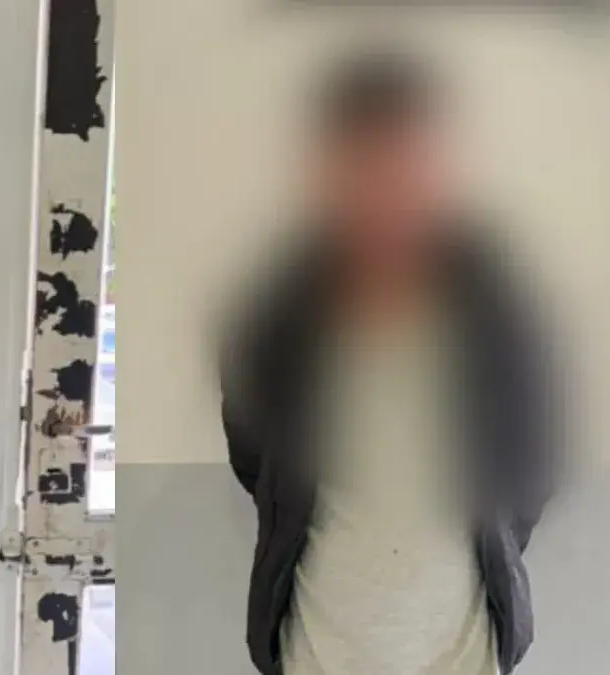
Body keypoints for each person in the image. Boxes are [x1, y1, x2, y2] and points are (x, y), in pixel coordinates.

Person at [219, 49, 557, 675]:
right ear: (331, 173)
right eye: (367, 168)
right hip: (317, 647)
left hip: (462, 651)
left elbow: (534, 456)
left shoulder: (497, 305)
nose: (386, 194)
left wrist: (492, 542)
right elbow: (253, 450)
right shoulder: (279, 310)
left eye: (406, 168)